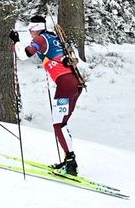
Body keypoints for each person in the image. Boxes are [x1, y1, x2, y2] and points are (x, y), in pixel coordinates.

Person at [12, 15, 84, 175]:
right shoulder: (52, 36)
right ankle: (68, 160)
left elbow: (24, 55)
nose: (30, 34)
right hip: (75, 83)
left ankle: (71, 163)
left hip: (66, 85)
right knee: (62, 124)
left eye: (31, 30)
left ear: (36, 29)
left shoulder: (41, 39)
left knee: (59, 125)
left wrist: (16, 41)